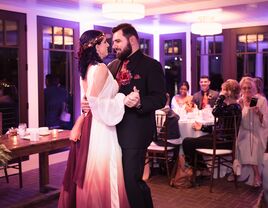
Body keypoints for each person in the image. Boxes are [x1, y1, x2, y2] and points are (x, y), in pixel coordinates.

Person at [81, 23, 166, 208]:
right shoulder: (113, 65)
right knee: (117, 183)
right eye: (112, 42)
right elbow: (100, 93)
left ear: (132, 40)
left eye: (118, 41)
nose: (114, 46)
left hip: (135, 133)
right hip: (110, 132)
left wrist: (140, 101)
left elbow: (160, 99)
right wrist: (86, 102)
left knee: (131, 181)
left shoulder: (151, 65)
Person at [58, 30, 139, 207]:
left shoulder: (87, 69)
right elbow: (97, 103)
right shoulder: (101, 68)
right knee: (105, 168)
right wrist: (122, 99)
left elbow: (90, 99)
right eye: (104, 43)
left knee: (91, 169)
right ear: (96, 46)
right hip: (101, 127)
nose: (108, 46)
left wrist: (86, 102)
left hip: (92, 123)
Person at [182, 79, 242, 170]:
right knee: (191, 140)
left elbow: (215, 112)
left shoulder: (233, 108)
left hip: (224, 142)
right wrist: (202, 127)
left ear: (228, 92)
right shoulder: (231, 107)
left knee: (187, 142)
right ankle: (201, 168)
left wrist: (221, 97)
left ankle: (199, 169)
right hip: (219, 139)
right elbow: (218, 126)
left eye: (223, 90)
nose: (221, 92)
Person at [237, 76, 268, 187]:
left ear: (254, 88)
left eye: (249, 88)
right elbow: (240, 121)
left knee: (253, 141)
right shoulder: (240, 101)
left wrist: (258, 113)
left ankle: (257, 175)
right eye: (244, 88)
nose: (246, 90)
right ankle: (240, 171)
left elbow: (265, 122)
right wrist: (241, 107)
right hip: (244, 131)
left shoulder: (260, 100)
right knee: (246, 140)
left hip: (259, 130)